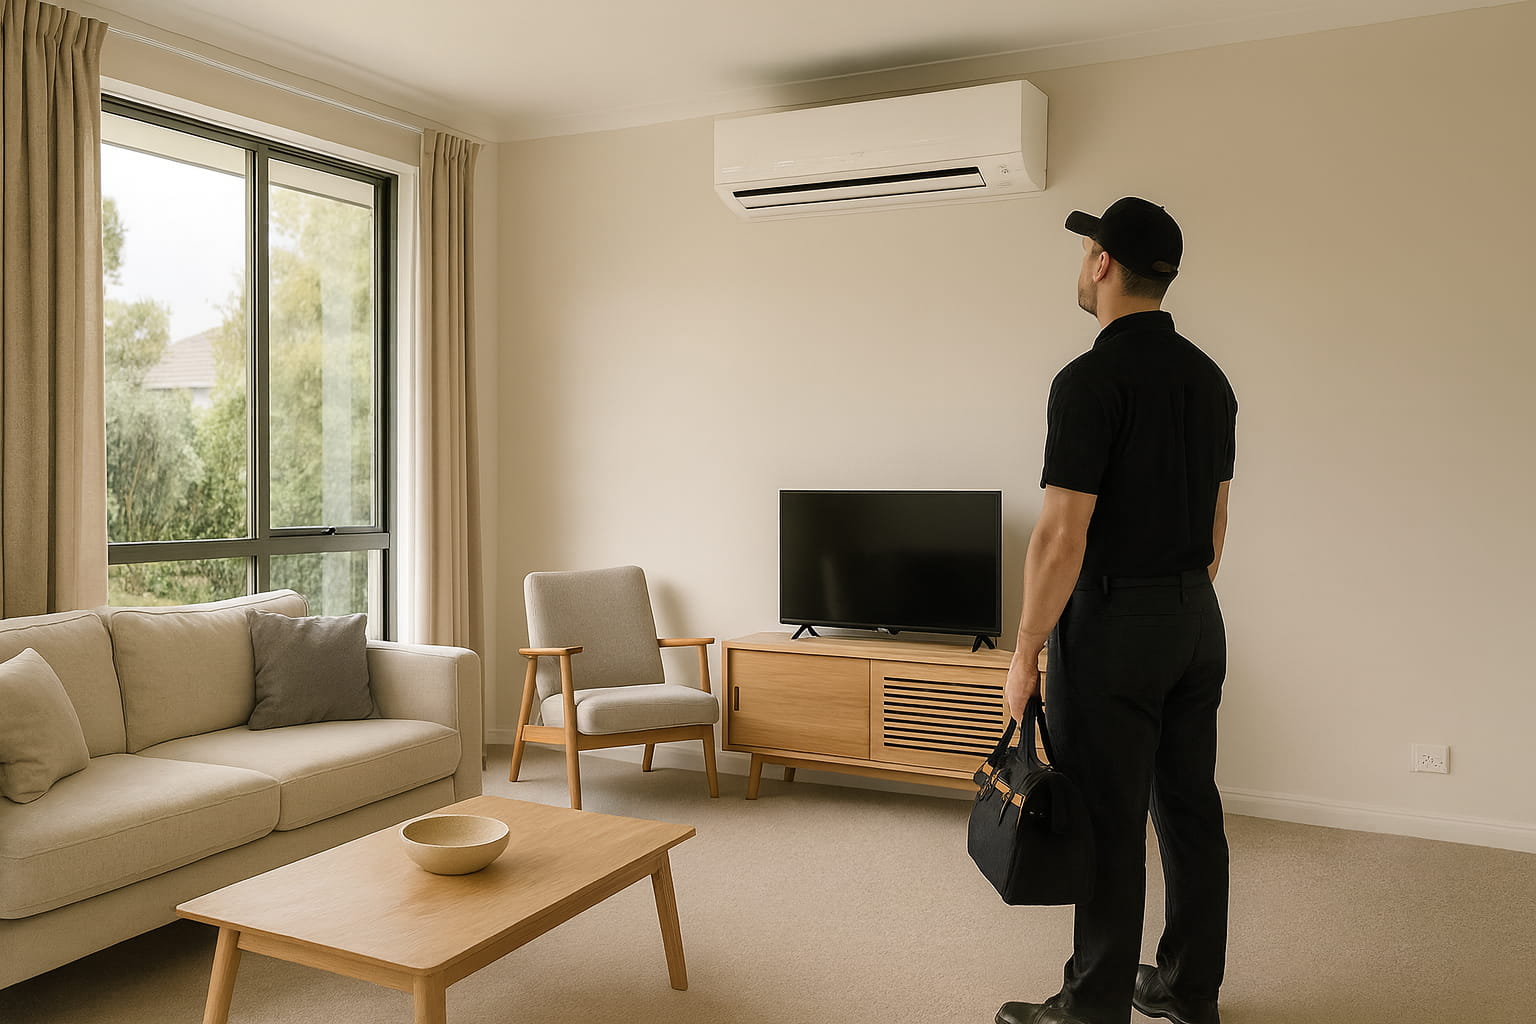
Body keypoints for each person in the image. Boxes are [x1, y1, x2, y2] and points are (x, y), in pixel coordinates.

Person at [995, 198, 1237, 1024]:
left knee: (1106, 818)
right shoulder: (1211, 379)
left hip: (1113, 627)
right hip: (1196, 619)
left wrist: (1024, 652)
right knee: (1190, 807)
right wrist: (1180, 601)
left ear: (1102, 264)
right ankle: (1187, 988)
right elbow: (1216, 524)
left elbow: (1061, 538)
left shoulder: (1088, 380)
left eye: (1086, 248)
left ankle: (1091, 1008)